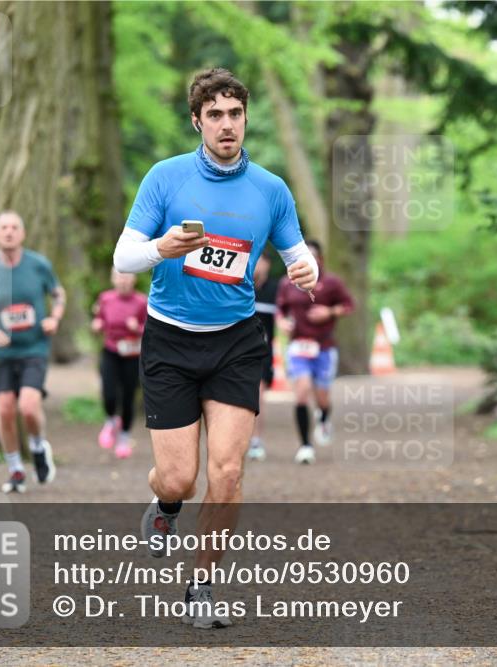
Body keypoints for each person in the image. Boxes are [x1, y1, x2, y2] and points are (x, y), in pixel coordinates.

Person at [112, 67, 317, 629]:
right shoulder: (166, 178)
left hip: (236, 342)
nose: (227, 125)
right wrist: (162, 246)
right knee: (179, 477)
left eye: (235, 114)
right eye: (215, 115)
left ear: (246, 118)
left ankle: (200, 587)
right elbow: (123, 259)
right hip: (170, 342)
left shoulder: (271, 189)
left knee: (226, 473)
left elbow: (300, 250)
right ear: (197, 121)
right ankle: (166, 505)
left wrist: (306, 268)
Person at [0, 210, 65, 493]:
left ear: (22, 234)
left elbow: (59, 294)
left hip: (34, 347)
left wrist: (54, 318)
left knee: (29, 407)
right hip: (3, 353)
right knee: (5, 410)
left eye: (14, 228)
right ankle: (16, 470)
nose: (9, 232)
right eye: (4, 228)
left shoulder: (38, 265)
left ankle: (37, 447)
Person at [277, 239, 354, 465]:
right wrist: (282, 322)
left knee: (322, 397)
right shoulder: (287, 283)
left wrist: (329, 312)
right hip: (298, 346)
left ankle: (323, 418)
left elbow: (349, 305)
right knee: (301, 392)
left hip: (324, 347)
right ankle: (305, 446)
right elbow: (280, 311)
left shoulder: (332, 283)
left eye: (312, 256)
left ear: (320, 259)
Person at [91, 269, 148, 459]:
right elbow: (99, 318)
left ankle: (124, 438)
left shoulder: (141, 301)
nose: (123, 281)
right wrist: (97, 325)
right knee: (108, 393)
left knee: (128, 397)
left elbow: (150, 330)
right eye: (119, 277)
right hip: (110, 351)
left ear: (133, 280)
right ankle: (110, 421)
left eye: (127, 277)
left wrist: (137, 328)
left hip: (132, 354)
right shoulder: (105, 298)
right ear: (113, 279)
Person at [248, 251, 279, 462]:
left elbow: (285, 314)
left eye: (262, 259)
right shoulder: (240, 285)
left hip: (263, 351)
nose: (258, 265)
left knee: (258, 395)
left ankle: (256, 439)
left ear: (268, 263)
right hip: (236, 349)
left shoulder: (276, 289)